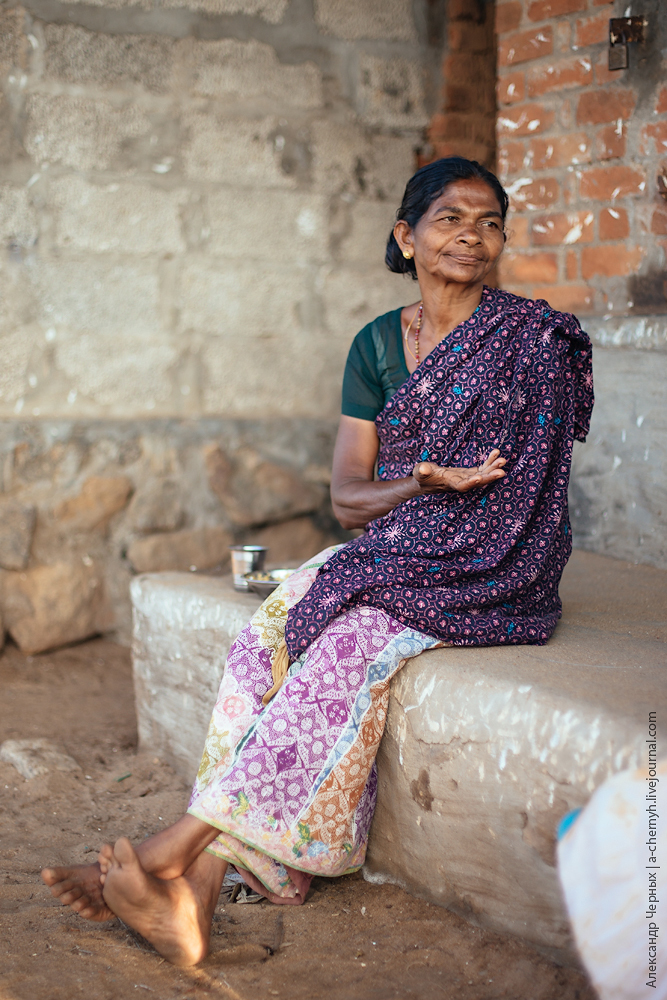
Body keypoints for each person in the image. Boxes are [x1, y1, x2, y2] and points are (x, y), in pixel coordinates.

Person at [41, 156, 594, 967]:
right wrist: (422, 481)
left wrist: (448, 510)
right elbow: (348, 498)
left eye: (488, 223)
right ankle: (192, 897)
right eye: (449, 219)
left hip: (495, 557)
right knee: (262, 637)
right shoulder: (376, 344)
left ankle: (176, 853)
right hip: (399, 540)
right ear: (406, 236)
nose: (470, 237)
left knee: (341, 651)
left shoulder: (532, 342)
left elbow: (529, 496)